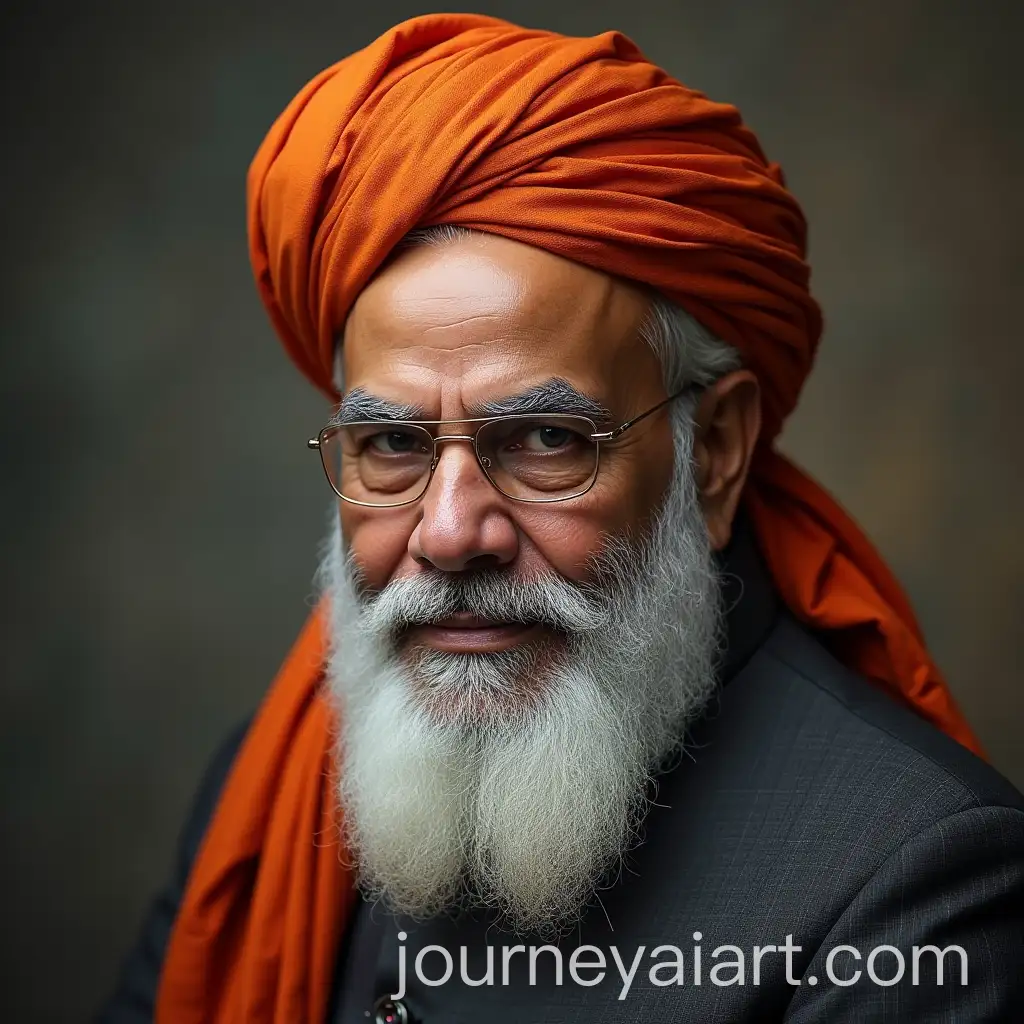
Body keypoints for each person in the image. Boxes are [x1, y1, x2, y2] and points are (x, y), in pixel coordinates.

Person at [97, 13, 1024, 1024]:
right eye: (393, 446)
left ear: (712, 452)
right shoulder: (274, 791)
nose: (448, 535)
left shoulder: (918, 887)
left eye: (544, 441)